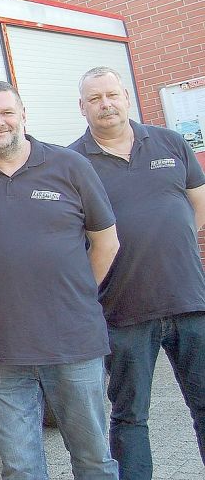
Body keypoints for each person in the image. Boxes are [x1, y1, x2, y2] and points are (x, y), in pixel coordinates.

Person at [0, 80, 119, 480]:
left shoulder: (70, 166)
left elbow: (106, 242)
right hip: (2, 353)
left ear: (23, 114)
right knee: (21, 468)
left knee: (93, 459)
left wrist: (79, 295)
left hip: (74, 344)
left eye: (6, 112)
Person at [69, 66, 205, 478]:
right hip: (122, 311)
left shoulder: (171, 142)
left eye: (111, 95)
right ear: (82, 108)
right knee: (130, 417)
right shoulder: (73, 162)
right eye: (95, 99)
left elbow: (197, 207)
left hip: (189, 302)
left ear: (126, 97)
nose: (105, 104)